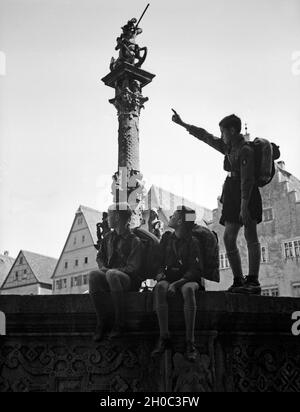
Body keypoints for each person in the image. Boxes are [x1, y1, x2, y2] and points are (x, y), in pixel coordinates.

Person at [172, 111, 262, 295]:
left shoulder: (245, 150)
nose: (221, 135)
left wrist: (244, 207)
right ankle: (238, 280)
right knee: (229, 238)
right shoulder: (228, 148)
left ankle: (253, 281)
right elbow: (206, 136)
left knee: (250, 236)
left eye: (223, 131)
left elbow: (247, 180)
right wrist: (184, 124)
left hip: (247, 194)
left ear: (232, 130)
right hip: (231, 193)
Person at [151, 206, 204, 362]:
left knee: (188, 291)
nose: (170, 217)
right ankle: (164, 336)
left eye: (173, 215)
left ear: (180, 221)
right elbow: (158, 260)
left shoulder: (193, 242)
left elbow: (195, 270)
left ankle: (190, 342)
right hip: (170, 277)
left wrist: (177, 284)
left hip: (189, 280)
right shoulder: (167, 238)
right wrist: (159, 272)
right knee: (160, 287)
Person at [89, 203, 143, 341]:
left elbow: (133, 268)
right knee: (94, 275)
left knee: (112, 275)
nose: (107, 219)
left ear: (117, 217)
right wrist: (102, 268)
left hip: (128, 281)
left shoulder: (134, 240)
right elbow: (100, 256)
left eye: (109, 215)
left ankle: (120, 322)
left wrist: (111, 271)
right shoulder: (108, 237)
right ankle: (101, 321)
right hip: (110, 276)